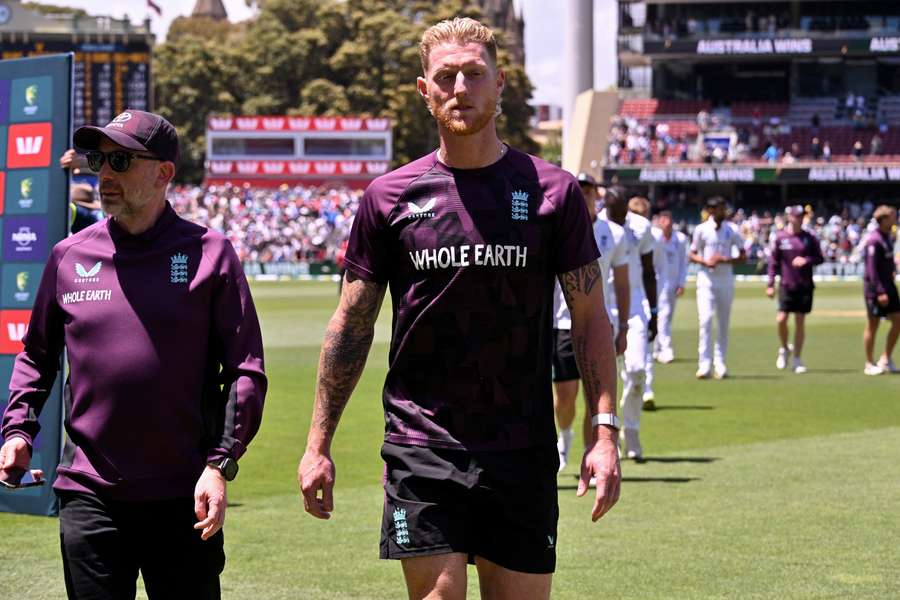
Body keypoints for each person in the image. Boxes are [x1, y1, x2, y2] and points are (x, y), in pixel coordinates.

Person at [296, 18, 620, 599]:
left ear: (500, 83)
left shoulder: (555, 193)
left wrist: (603, 432)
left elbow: (592, 320)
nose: (460, 88)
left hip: (521, 447)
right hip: (421, 445)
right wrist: (318, 444)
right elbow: (351, 326)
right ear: (425, 90)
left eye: (475, 73)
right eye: (446, 76)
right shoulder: (388, 198)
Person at [0, 110, 267, 600]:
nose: (103, 173)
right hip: (89, 492)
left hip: (184, 492)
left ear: (163, 172)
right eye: (99, 159)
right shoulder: (69, 255)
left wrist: (221, 463)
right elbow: (38, 355)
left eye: (120, 160)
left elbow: (246, 370)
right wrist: (18, 430)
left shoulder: (211, 252)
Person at [553, 175, 630, 471]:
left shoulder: (614, 233)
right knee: (565, 397)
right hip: (561, 324)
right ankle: (565, 435)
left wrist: (623, 326)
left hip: (600, 324)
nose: (585, 196)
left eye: (589, 191)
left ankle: (592, 452)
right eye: (580, 191)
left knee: (596, 394)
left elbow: (622, 284)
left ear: (597, 195)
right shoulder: (558, 226)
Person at [600, 189, 657, 458]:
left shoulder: (641, 227)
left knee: (636, 371)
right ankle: (607, 434)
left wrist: (654, 311)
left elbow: (648, 271)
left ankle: (631, 429)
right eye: (612, 209)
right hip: (600, 307)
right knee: (603, 380)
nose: (618, 214)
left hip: (634, 307)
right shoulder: (595, 224)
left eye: (621, 209)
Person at [690, 196, 746, 379]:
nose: (716, 211)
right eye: (713, 208)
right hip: (706, 280)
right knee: (705, 320)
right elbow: (692, 254)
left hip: (725, 280)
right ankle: (704, 364)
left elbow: (743, 256)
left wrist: (723, 260)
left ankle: (720, 363)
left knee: (723, 323)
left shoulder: (733, 230)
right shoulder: (701, 230)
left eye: (720, 208)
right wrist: (705, 261)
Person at [766, 205, 825, 374]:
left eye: (801, 216)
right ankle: (784, 348)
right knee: (781, 319)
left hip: (805, 286)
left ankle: (797, 358)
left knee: (800, 320)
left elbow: (820, 258)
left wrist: (806, 260)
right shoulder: (780, 237)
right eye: (796, 216)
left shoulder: (810, 238)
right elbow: (773, 263)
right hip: (786, 285)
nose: (798, 219)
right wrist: (770, 284)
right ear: (789, 217)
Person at [862, 205, 900, 375]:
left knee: (898, 321)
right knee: (873, 324)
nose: (895, 218)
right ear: (884, 219)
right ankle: (869, 363)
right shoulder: (874, 240)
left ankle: (885, 358)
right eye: (892, 216)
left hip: (889, 286)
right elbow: (871, 270)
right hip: (876, 290)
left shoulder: (889, 237)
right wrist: (879, 291)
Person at [650, 210, 688, 366]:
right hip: (659, 283)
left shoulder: (680, 239)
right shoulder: (653, 237)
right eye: (663, 219)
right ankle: (666, 349)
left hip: (673, 283)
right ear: (659, 221)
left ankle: (656, 348)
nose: (666, 223)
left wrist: (681, 283)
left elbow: (683, 263)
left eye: (668, 219)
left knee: (667, 317)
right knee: (663, 316)